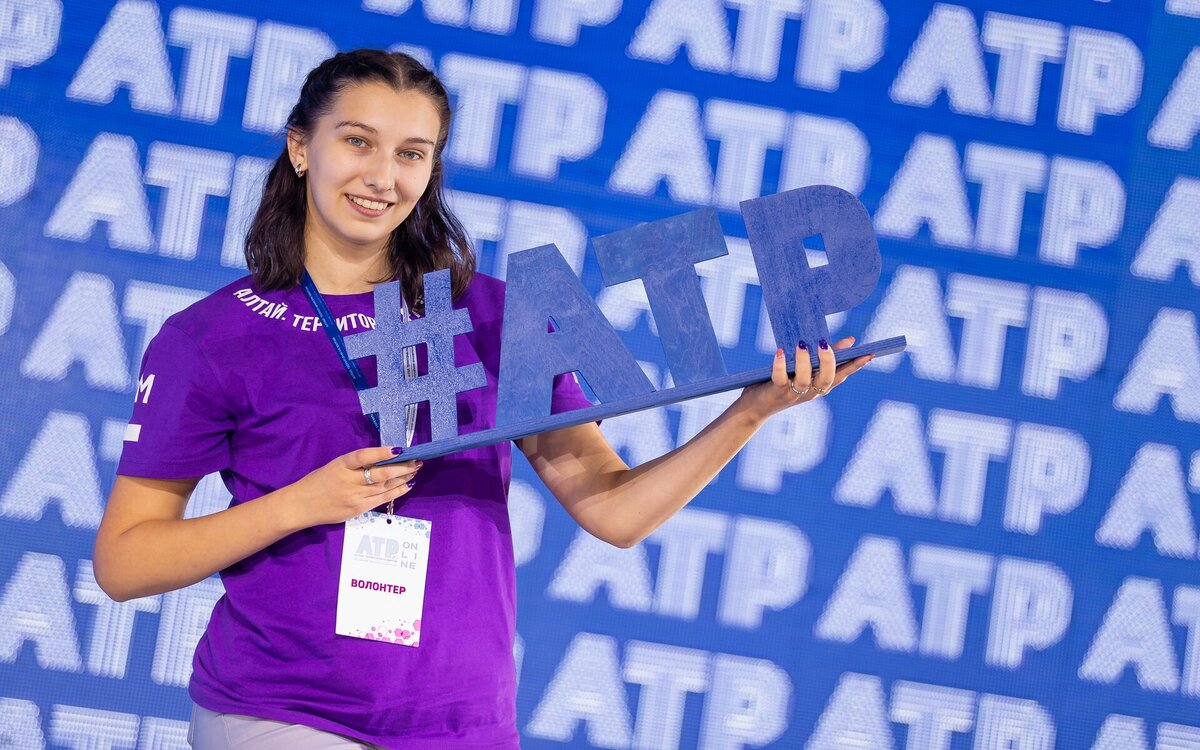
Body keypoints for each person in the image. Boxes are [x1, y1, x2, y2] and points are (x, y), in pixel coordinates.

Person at [93, 49, 872, 749]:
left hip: (467, 724)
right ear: (302, 147)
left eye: (411, 153)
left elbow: (614, 511)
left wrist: (750, 411)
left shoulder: (497, 316)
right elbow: (125, 563)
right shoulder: (212, 337)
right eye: (357, 141)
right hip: (281, 711)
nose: (382, 176)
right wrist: (302, 503)